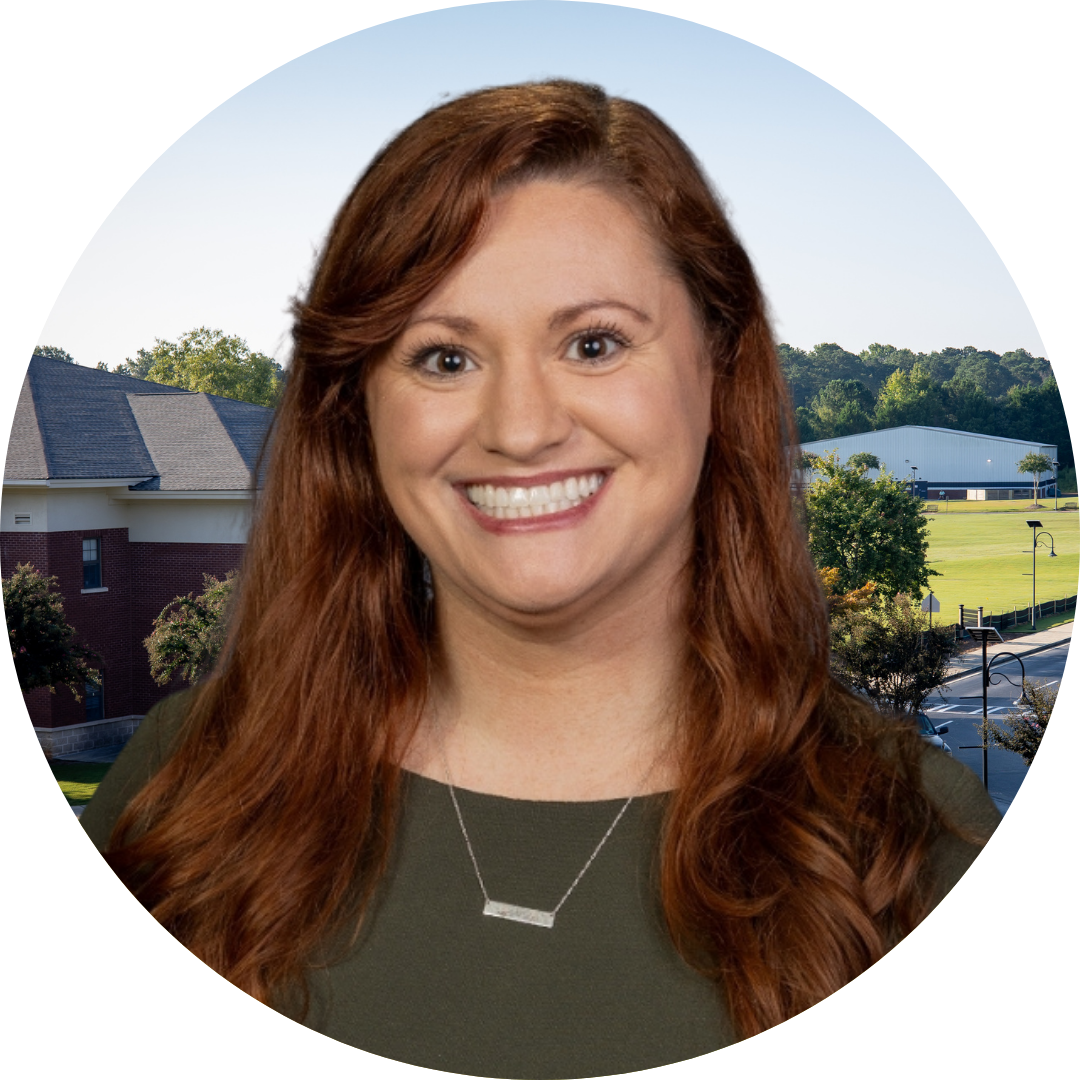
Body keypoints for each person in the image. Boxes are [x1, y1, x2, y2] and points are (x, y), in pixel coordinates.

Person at [80, 80, 999, 1075]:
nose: (520, 428)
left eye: (593, 344)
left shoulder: (907, 845)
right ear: (359, 410)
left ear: (717, 371)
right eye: (443, 358)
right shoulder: (190, 784)